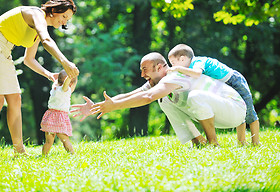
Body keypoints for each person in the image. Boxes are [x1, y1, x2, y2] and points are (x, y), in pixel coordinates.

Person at [0, 0, 79, 158]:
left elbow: (28, 59)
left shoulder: (39, 29)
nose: (65, 22)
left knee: (15, 99)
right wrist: (65, 62)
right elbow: (47, 40)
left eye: (68, 19)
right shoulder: (36, 14)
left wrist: (48, 74)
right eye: (64, 16)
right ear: (54, 10)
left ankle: (19, 151)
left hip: (4, 51)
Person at [74, 52, 246, 147]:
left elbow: (148, 97)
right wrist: (99, 106)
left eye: (145, 70)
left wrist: (115, 106)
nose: (142, 75)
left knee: (192, 96)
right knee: (165, 100)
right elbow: (132, 95)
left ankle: (213, 143)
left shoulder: (175, 74)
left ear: (159, 67)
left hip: (234, 109)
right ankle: (198, 142)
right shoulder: (159, 80)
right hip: (216, 112)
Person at [167, 44, 260, 146]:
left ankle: (256, 142)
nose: (172, 66)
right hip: (224, 87)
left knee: (249, 112)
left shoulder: (197, 62)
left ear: (182, 59)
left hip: (234, 81)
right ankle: (242, 142)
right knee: (238, 110)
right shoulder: (190, 67)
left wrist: (178, 69)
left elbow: (197, 73)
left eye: (173, 63)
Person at [40, 70, 77, 155]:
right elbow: (68, 82)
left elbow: (72, 83)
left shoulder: (55, 87)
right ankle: (72, 154)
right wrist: (72, 75)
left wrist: (74, 76)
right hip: (60, 118)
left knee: (48, 141)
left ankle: (44, 156)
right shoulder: (64, 89)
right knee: (65, 139)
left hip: (50, 116)